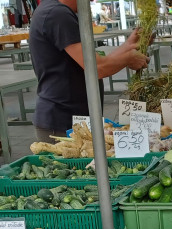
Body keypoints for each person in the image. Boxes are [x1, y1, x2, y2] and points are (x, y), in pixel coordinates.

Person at [30, 0, 151, 140]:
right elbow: (96, 68)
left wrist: (129, 46)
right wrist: (128, 59)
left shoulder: (53, 10)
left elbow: (94, 61)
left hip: (71, 118)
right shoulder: (57, 14)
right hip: (62, 122)